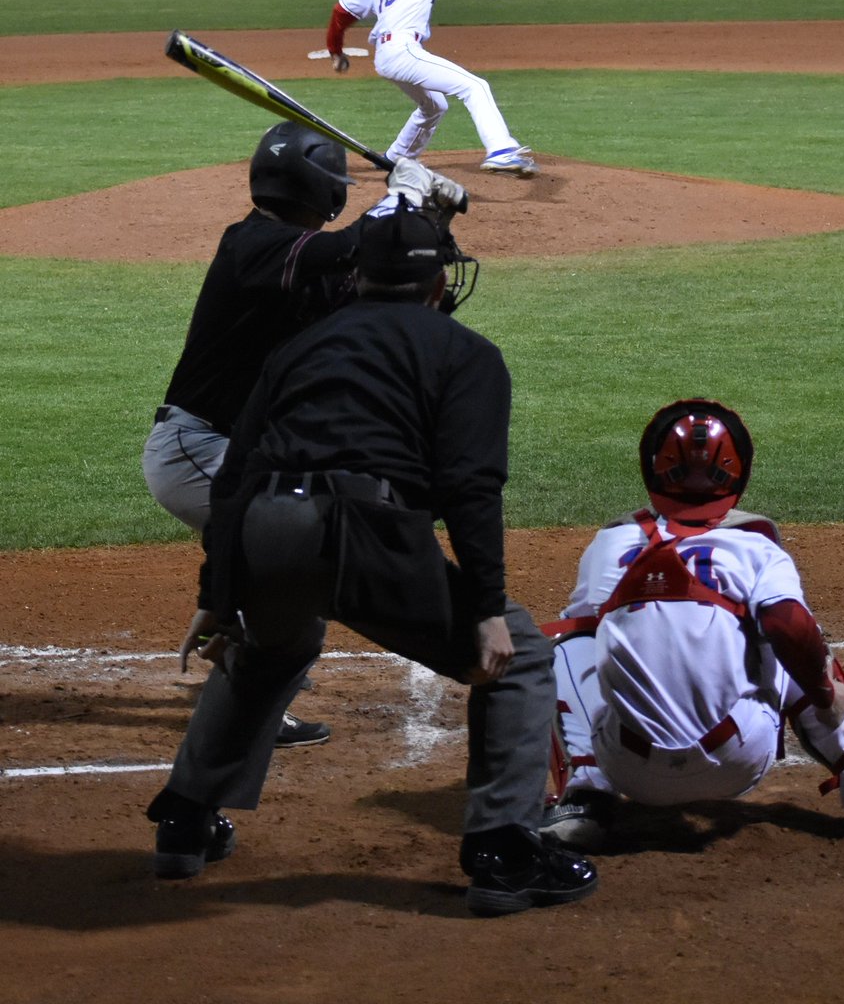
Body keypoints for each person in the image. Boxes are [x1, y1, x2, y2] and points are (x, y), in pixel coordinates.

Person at [144, 201, 599, 917]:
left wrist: (220, 590)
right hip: (359, 529)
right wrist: (483, 610)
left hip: (263, 522)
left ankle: (185, 821)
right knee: (524, 659)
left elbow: (233, 477)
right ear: (436, 284)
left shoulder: (298, 346)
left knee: (268, 644)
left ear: (358, 279)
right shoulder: (465, 353)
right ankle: (503, 853)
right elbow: (472, 488)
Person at [141, 123, 463, 748]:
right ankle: (249, 689)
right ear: (330, 191)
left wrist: (431, 219)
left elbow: (396, 284)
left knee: (286, 549)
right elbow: (347, 250)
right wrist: (396, 198)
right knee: (287, 546)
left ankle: (248, 644)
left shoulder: (299, 268)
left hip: (233, 451)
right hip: (197, 449)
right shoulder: (254, 243)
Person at [539, 399, 844, 853]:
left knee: (567, 643)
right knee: (786, 630)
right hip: (739, 755)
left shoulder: (610, 543)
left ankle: (585, 798)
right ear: (738, 470)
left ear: (652, 466)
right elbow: (789, 627)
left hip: (628, 765)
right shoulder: (756, 549)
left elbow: (591, 631)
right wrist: (826, 696)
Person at [326, 0, 538, 177]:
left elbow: (340, 12)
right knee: (475, 86)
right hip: (403, 51)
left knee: (434, 105)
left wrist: (336, 52)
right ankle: (502, 151)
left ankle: (396, 157)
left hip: (387, 54)